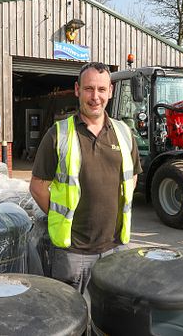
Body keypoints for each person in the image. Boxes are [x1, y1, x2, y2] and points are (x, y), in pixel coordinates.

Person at [30, 61, 142, 294]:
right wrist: (61, 217)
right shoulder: (58, 134)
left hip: (117, 246)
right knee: (72, 317)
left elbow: (132, 178)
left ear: (110, 92)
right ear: (77, 89)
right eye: (89, 89)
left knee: (110, 318)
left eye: (102, 89)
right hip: (73, 252)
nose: (95, 96)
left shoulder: (124, 133)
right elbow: (38, 187)